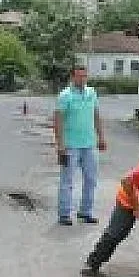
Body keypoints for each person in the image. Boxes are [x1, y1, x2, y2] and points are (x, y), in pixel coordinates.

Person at [54, 65, 106, 226]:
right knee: (67, 181)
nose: (82, 79)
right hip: (70, 145)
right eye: (78, 76)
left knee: (91, 179)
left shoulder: (92, 93)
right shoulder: (65, 96)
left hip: (89, 144)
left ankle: (85, 211)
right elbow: (58, 121)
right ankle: (64, 214)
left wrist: (101, 137)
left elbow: (96, 115)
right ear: (72, 77)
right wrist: (60, 145)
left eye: (84, 76)